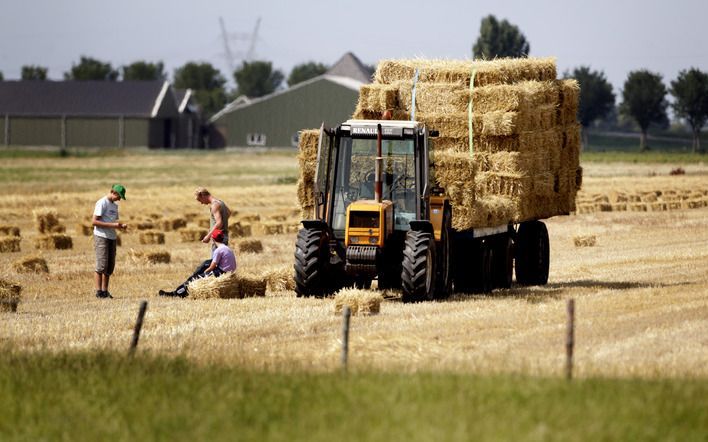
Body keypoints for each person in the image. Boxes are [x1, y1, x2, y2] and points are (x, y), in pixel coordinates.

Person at [158, 229, 237, 298]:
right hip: (228, 272)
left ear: (212, 238)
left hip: (221, 272)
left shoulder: (218, 250)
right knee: (206, 263)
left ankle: (175, 294)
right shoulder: (227, 248)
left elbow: (212, 266)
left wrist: (205, 272)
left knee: (195, 279)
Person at [92, 184, 128, 299]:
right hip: (101, 236)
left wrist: (120, 226)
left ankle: (105, 291)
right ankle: (98, 292)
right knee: (101, 265)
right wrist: (113, 225)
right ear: (113, 192)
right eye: (119, 196)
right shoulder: (102, 203)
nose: (120, 199)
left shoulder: (114, 206)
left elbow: (112, 222)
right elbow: (94, 222)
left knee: (109, 267)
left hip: (112, 237)